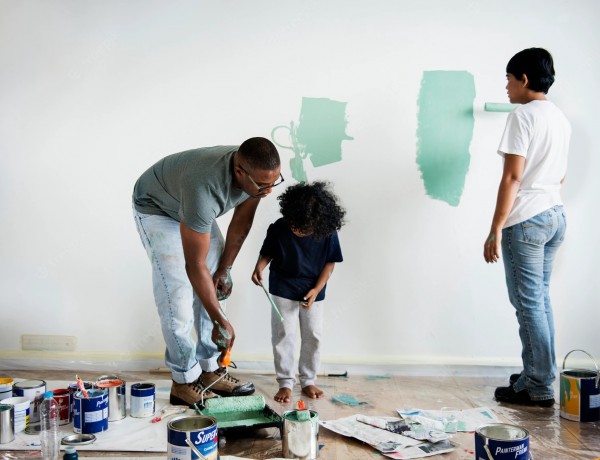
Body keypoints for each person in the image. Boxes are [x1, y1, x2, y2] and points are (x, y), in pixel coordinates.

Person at [132, 137, 283, 407]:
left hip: (186, 204)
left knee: (216, 282)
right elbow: (195, 266)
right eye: (263, 185)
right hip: (156, 208)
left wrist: (225, 269)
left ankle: (210, 368)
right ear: (239, 172)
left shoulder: (257, 179)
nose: (268, 190)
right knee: (176, 294)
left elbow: (241, 223)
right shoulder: (203, 187)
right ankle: (184, 381)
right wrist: (219, 320)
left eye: (275, 182)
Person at [484, 48, 571, 407]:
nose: (505, 86)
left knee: (528, 303)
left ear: (523, 79)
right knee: (539, 301)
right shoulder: (559, 117)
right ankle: (537, 372)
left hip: (528, 219)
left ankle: (536, 385)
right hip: (555, 215)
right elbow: (561, 174)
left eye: (508, 78)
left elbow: (513, 177)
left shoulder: (523, 116)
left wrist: (495, 229)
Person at [252, 181, 345, 403]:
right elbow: (267, 253)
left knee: (313, 335)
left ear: (318, 223)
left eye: (305, 229)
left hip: (313, 290)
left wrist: (316, 290)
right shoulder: (278, 227)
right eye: (294, 226)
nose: (298, 231)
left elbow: (330, 263)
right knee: (283, 335)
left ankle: (308, 379)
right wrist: (259, 267)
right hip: (282, 287)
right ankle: (285, 382)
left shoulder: (328, 233)